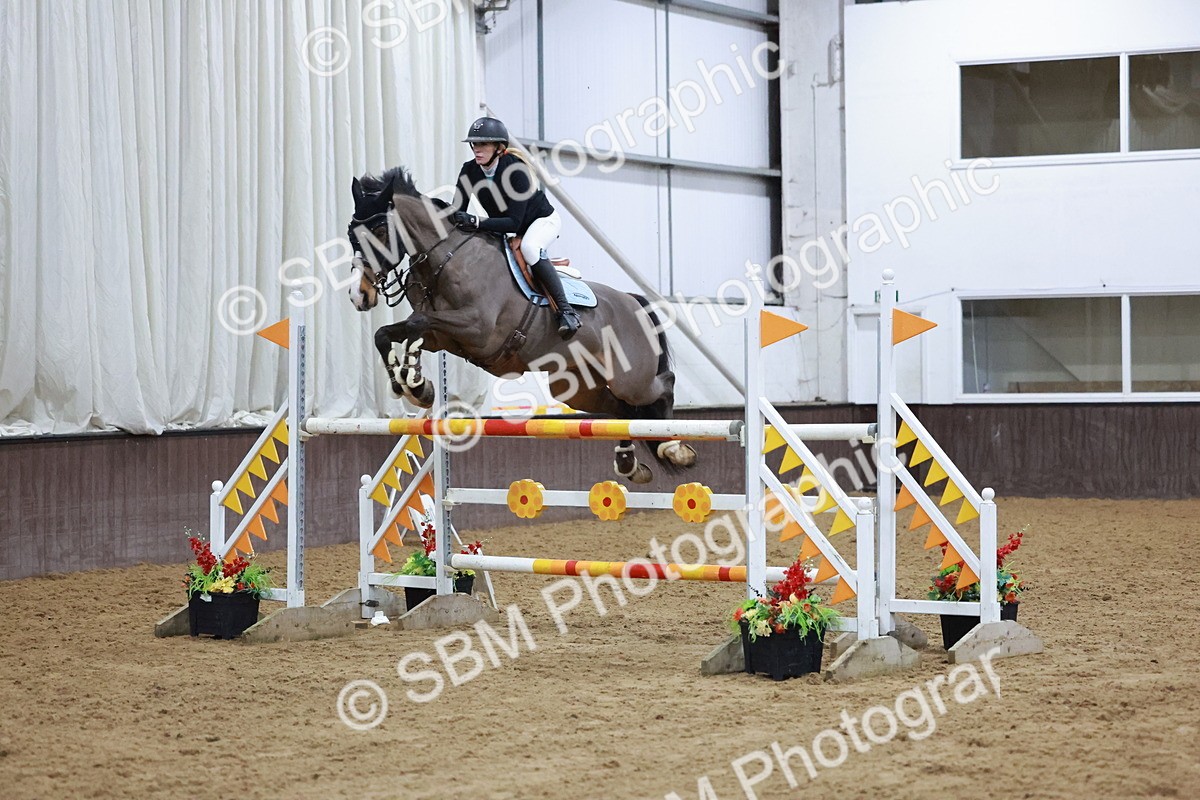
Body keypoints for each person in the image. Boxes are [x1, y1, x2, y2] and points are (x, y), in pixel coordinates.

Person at [450, 116, 582, 340]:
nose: (477, 149)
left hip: (540, 221)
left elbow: (514, 223)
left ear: (499, 148)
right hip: (507, 226)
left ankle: (566, 311)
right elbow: (455, 211)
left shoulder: (515, 170)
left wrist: (475, 222)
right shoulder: (469, 171)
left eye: (483, 144)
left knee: (530, 248)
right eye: (474, 144)